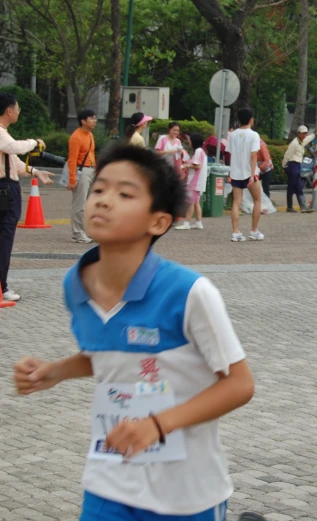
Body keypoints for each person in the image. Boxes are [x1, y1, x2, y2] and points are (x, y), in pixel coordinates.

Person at [13, 143, 255, 521]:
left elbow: (239, 384)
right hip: (108, 484)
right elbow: (112, 355)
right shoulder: (75, 286)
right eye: (99, 189)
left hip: (186, 494)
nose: (104, 201)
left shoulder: (189, 292)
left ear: (158, 222)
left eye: (124, 194)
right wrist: (53, 371)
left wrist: (157, 426)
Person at [0, 92, 53, 303]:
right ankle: (3, 287)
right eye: (18, 109)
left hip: (6, 187)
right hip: (5, 190)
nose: (19, 112)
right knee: (4, 238)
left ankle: (2, 284)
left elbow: (12, 160)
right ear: (9, 111)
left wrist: (34, 172)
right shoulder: (2, 134)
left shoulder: (4, 134)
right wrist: (34, 142)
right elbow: (13, 148)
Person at [226, 108, 265, 242]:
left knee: (236, 202)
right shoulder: (254, 135)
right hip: (250, 173)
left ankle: (235, 232)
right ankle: (254, 231)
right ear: (251, 119)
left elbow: (230, 153)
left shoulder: (232, 134)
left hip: (235, 172)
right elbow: (253, 156)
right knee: (257, 200)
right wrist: (251, 174)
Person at [68, 109, 98, 244]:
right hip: (82, 171)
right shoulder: (76, 137)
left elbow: (92, 154)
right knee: (79, 204)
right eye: (91, 118)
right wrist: (72, 179)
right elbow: (72, 160)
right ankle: (78, 233)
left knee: (89, 204)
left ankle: (84, 231)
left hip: (91, 170)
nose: (94, 121)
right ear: (83, 121)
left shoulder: (90, 135)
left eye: (95, 118)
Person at [282, 125, 317, 213]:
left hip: (297, 165)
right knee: (297, 185)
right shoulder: (294, 143)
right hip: (292, 165)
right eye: (302, 133)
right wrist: (284, 166)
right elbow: (287, 156)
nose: (304, 135)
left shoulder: (301, 141)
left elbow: (308, 139)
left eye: (305, 134)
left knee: (292, 186)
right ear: (298, 133)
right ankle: (303, 206)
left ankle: (291, 206)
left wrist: (316, 134)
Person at [176, 133, 208, 230]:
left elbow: (197, 166)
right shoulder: (201, 151)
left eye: (190, 140)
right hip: (199, 181)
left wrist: (186, 166)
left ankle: (186, 223)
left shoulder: (198, 151)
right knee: (196, 202)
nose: (189, 142)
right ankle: (198, 222)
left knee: (191, 202)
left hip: (195, 180)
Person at [258, 136, 274, 200]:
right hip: (257, 168)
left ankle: (267, 204)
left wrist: (259, 168)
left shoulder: (261, 146)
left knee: (265, 188)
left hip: (267, 169)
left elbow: (266, 160)